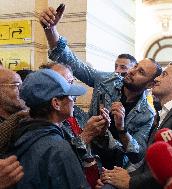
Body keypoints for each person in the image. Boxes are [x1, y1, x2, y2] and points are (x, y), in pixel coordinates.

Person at [39, 6, 162, 171]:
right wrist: (51, 29)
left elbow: (137, 154)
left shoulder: (147, 113)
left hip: (117, 168)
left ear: (150, 84)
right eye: (136, 66)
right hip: (88, 156)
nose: (132, 71)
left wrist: (122, 129)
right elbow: (72, 62)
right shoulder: (107, 80)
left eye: (140, 72)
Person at [97, 61, 172, 189]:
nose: (156, 78)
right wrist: (115, 177)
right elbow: (148, 166)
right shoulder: (165, 113)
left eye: (164, 75)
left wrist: (130, 182)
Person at [8, 69, 94, 188]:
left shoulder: (21, 133)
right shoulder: (58, 148)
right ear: (56, 103)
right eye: (69, 95)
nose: (73, 100)